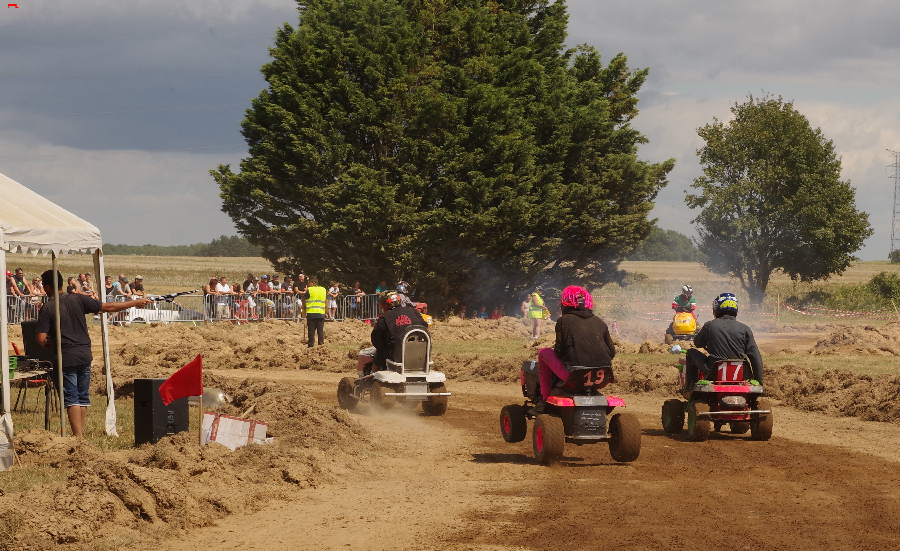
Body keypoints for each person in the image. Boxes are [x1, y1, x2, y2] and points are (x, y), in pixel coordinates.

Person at [36, 269, 150, 437]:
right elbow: (109, 306)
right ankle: (79, 437)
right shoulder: (79, 299)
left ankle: (78, 437)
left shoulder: (48, 307)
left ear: (46, 287)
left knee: (71, 397)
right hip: (85, 353)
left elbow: (40, 339)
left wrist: (49, 344)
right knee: (82, 396)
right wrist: (135, 302)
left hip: (66, 356)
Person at [536, 286, 615, 408]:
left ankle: (544, 399)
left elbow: (558, 352)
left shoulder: (563, 321)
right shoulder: (600, 322)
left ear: (565, 305)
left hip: (574, 376)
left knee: (544, 352)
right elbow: (612, 352)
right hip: (603, 377)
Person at [682, 293, 763, 397]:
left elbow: (697, 343)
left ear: (716, 308)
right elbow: (755, 357)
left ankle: (690, 389)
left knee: (691, 352)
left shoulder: (709, 325)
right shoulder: (745, 328)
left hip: (713, 370)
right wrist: (759, 382)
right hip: (741, 373)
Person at [357, 290, 426, 378]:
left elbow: (376, 339)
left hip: (397, 355)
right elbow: (424, 327)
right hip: (420, 352)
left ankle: (372, 374)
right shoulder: (414, 312)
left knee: (381, 349)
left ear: (386, 304)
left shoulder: (385, 317)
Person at [303, 276, 327, 346]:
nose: (308, 284)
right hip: (321, 313)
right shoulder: (323, 289)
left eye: (309, 282)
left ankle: (311, 345)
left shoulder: (310, 290)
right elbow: (326, 301)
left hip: (311, 313)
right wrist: (326, 312)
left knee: (311, 331)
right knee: (320, 331)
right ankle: (321, 345)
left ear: (314, 283)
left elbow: (304, 299)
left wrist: (304, 309)